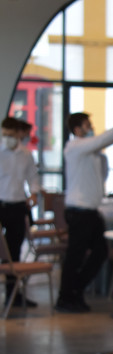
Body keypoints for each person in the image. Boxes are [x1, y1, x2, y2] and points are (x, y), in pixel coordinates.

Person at [55, 110, 113, 313]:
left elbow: (101, 174)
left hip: (90, 211)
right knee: (75, 257)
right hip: (79, 211)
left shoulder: (93, 154)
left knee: (101, 253)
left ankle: (75, 290)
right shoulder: (75, 147)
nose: (92, 130)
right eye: (88, 126)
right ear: (77, 130)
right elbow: (106, 138)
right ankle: (65, 296)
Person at [0, 116, 41, 307]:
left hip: (16, 205)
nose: (7, 138)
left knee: (13, 252)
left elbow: (33, 177)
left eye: (10, 134)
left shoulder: (25, 154)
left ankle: (13, 295)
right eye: (4, 134)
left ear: (18, 134)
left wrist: (33, 194)